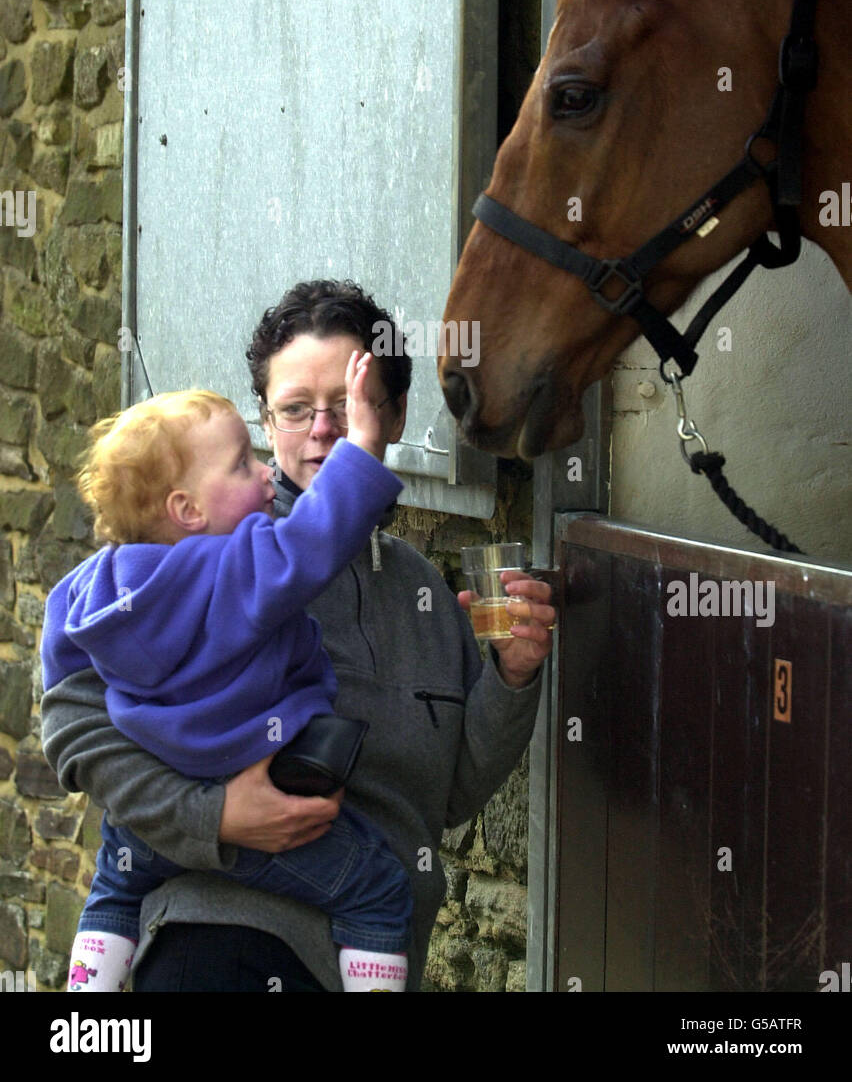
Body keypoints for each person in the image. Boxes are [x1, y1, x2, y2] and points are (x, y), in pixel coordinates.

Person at [41, 280, 555, 992]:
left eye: (347, 406)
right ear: (265, 419)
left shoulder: (422, 592)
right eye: (295, 409)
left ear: (394, 412)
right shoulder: (200, 557)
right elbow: (72, 724)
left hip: (363, 951)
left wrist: (514, 673)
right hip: (217, 935)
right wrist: (213, 815)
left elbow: (450, 794)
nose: (322, 429)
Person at [41, 354, 414, 994]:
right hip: (267, 808)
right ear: (187, 509)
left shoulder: (84, 591)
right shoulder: (240, 565)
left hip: (151, 825)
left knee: (114, 887)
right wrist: (362, 446)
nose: (265, 469)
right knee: (378, 888)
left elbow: (64, 675)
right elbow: (315, 541)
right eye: (243, 463)